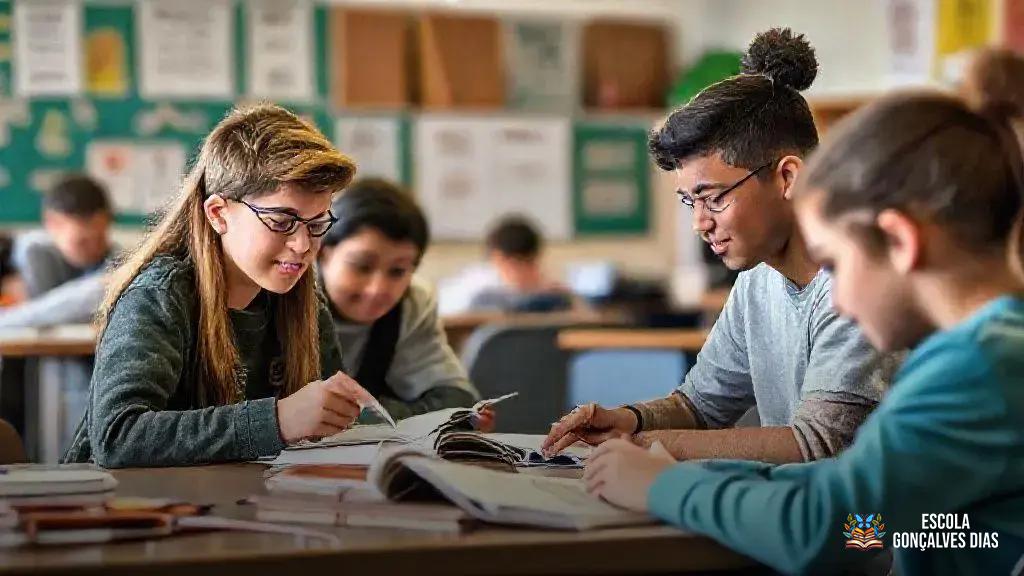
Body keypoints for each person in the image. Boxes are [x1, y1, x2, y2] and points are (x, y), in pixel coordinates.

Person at [584, 92, 1024, 576]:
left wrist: (662, 488)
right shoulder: (982, 353)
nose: (835, 300)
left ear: (899, 241)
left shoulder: (976, 367)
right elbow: (880, 524)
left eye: (835, 262)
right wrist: (699, 475)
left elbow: (822, 529)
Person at [543, 28, 892, 464]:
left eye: (714, 198)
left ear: (787, 177)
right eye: (690, 201)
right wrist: (629, 420)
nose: (699, 223)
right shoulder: (756, 281)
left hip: (873, 530)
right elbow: (700, 406)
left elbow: (817, 445)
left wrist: (645, 449)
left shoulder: (854, 287)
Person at [63, 103, 376, 468]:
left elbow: (325, 430)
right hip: (120, 512)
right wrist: (278, 420)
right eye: (281, 221)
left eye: (317, 222)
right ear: (218, 214)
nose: (303, 245)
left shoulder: (302, 298)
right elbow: (117, 436)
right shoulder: (161, 294)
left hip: (237, 507)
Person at [318, 178, 490, 425]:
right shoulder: (287, 297)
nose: (377, 289)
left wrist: (358, 417)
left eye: (397, 271)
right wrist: (408, 413)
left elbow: (458, 400)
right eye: (362, 266)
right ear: (323, 254)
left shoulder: (413, 303)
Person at [0, 175, 115, 328]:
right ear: (52, 223)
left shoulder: (116, 258)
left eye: (101, 238)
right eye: (83, 241)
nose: (95, 249)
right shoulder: (29, 252)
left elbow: (100, 291)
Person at [439, 215, 573, 314]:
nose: (523, 272)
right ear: (497, 258)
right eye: (515, 264)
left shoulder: (551, 291)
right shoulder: (473, 285)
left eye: (530, 264)